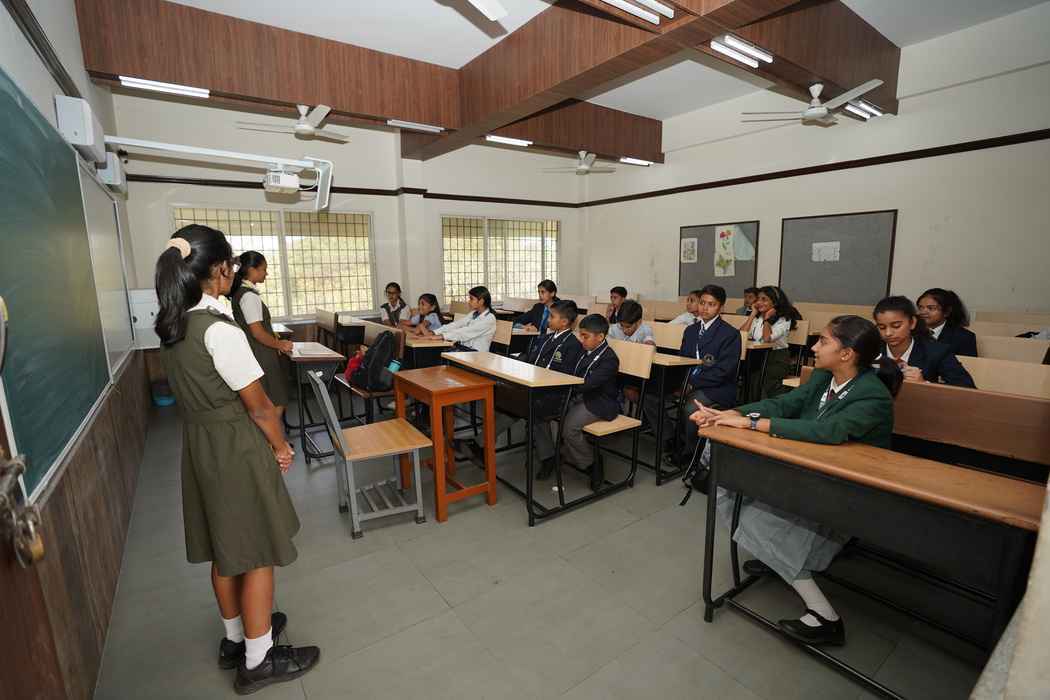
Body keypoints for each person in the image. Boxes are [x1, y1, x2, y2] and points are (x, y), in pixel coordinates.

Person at [154, 225, 319, 694]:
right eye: (230, 264)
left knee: (225, 548)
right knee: (258, 549)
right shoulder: (219, 331)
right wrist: (282, 447)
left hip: (201, 445)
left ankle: (234, 639)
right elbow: (260, 407)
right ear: (220, 269)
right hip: (235, 447)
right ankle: (259, 658)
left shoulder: (173, 325)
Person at [691, 315, 902, 647]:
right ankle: (779, 558)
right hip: (809, 472)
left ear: (846, 353)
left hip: (848, 489)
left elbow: (828, 431)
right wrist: (733, 413)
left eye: (824, 341)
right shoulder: (824, 376)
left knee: (758, 523)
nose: (814, 347)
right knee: (733, 489)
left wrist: (751, 425)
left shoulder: (872, 395)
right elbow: (785, 404)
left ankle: (826, 617)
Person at [459, 301, 583, 480]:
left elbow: (565, 376)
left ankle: (546, 457)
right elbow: (531, 358)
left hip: (555, 394)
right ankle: (482, 445)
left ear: (564, 322)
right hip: (536, 388)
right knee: (507, 402)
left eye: (552, 316)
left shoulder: (573, 345)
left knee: (525, 408)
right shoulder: (546, 338)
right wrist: (513, 362)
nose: (548, 319)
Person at [649, 285, 741, 466]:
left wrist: (691, 383)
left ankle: (689, 452)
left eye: (711, 304)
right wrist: (679, 381)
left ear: (721, 307)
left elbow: (724, 371)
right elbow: (683, 360)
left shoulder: (730, 334)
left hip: (716, 387)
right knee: (650, 395)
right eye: (702, 303)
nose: (705, 308)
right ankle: (669, 438)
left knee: (691, 408)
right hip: (688, 381)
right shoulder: (691, 330)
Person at [228, 251, 293, 423]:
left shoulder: (241, 292)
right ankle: (270, 437)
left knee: (268, 399)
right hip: (261, 353)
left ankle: (269, 436)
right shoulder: (249, 296)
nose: (266, 273)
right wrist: (280, 344)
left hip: (254, 351)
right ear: (252, 270)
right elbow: (257, 332)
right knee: (277, 400)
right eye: (264, 269)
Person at [563, 314, 621, 491]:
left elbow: (589, 384)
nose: (581, 340)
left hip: (599, 402)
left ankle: (593, 463)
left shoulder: (609, 358)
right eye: (580, 335)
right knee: (551, 414)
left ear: (600, 337)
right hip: (579, 395)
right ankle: (568, 454)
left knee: (569, 427)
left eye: (585, 336)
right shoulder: (583, 350)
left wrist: (564, 386)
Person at [874, 296, 976, 387]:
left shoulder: (937, 351)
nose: (888, 333)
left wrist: (924, 384)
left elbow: (967, 388)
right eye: (882, 327)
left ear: (912, 323)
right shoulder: (870, 349)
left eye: (896, 326)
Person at [738, 285, 802, 398]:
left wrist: (768, 320)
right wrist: (752, 314)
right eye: (758, 299)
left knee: (758, 377)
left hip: (777, 359)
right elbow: (741, 335)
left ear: (775, 302)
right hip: (759, 357)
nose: (759, 302)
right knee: (744, 372)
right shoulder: (758, 318)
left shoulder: (784, 320)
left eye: (764, 299)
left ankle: (761, 404)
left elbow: (766, 339)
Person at [426, 286, 496, 352]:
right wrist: (434, 332)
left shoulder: (489, 318)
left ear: (481, 301)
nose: (469, 302)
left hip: (477, 353)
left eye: (471, 299)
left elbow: (466, 332)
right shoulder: (473, 314)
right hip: (466, 349)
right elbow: (456, 325)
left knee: (437, 354)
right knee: (435, 352)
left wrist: (442, 336)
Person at [916, 288, 978, 357]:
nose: (923, 312)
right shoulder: (912, 332)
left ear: (946, 312)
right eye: (920, 308)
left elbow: (968, 363)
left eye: (931, 308)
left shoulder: (964, 337)